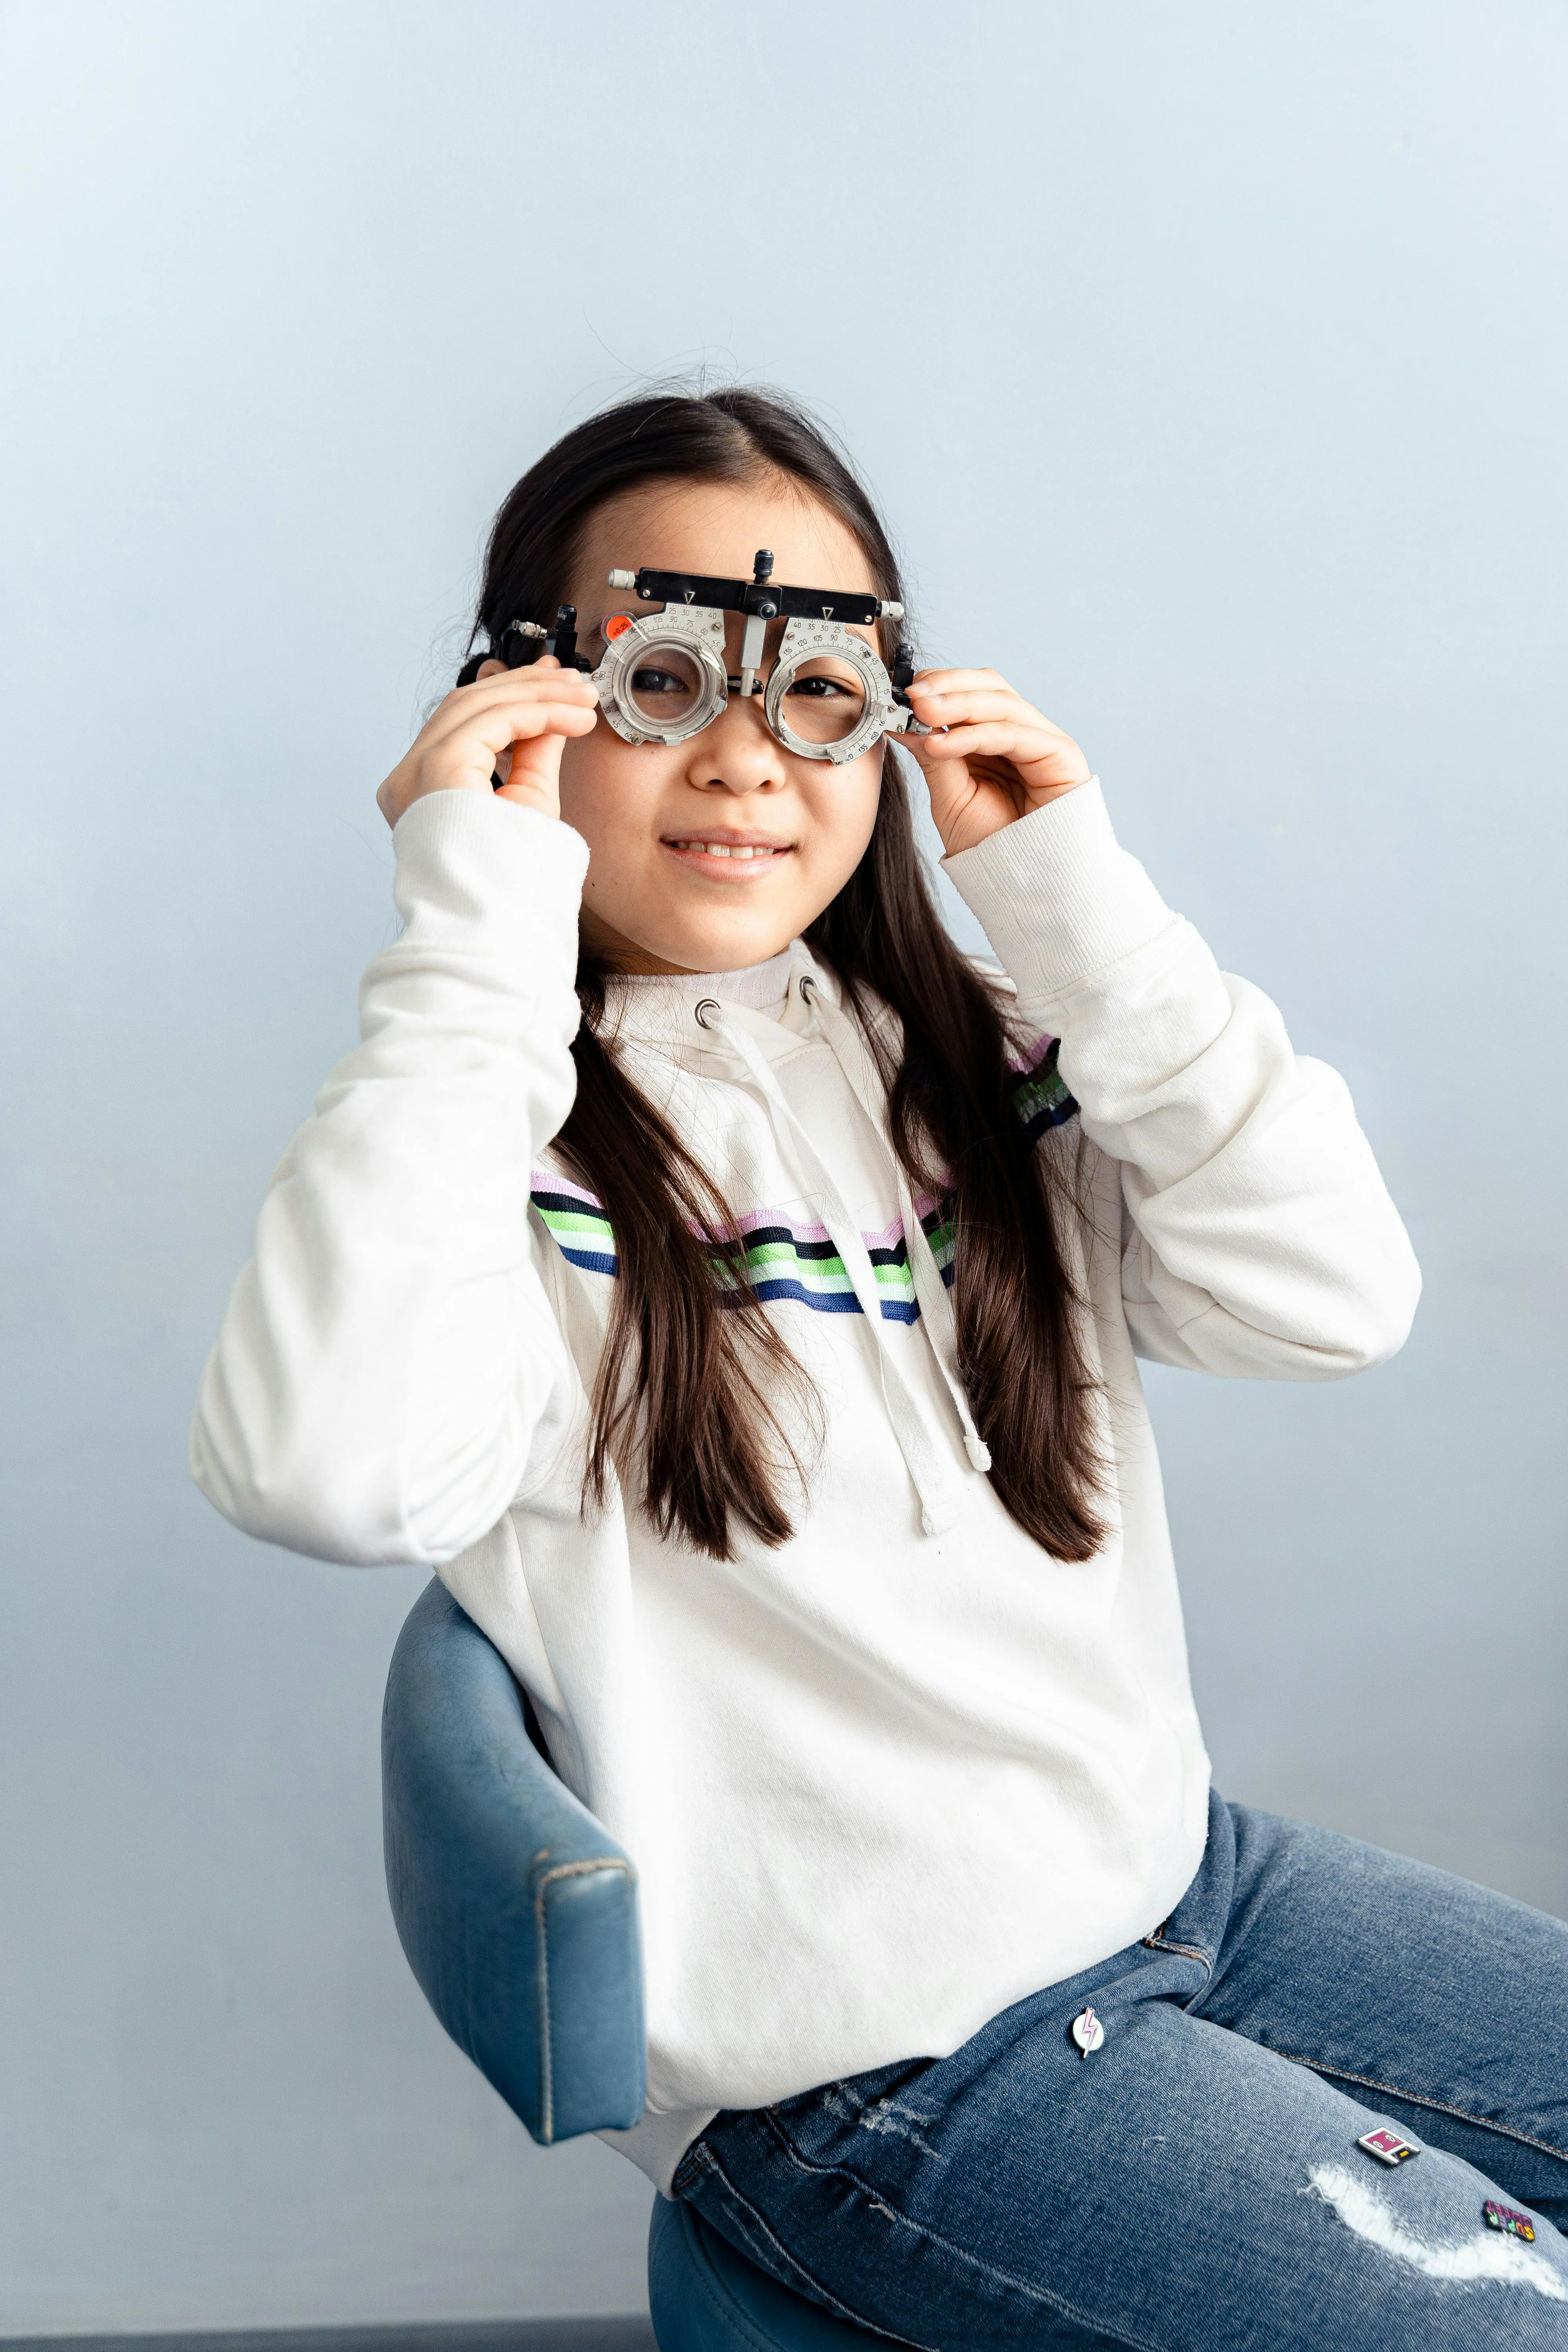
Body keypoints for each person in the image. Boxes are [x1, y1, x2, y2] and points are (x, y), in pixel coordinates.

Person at [191, 388, 1568, 2347]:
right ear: (529, 703)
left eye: (818, 688)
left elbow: (1331, 1297)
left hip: (1178, 1888)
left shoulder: (991, 1062)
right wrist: (472, 935)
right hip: (871, 2073)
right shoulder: (474, 1139)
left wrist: (1078, 910)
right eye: (664, 677)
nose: (748, 758)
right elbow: (320, 1473)